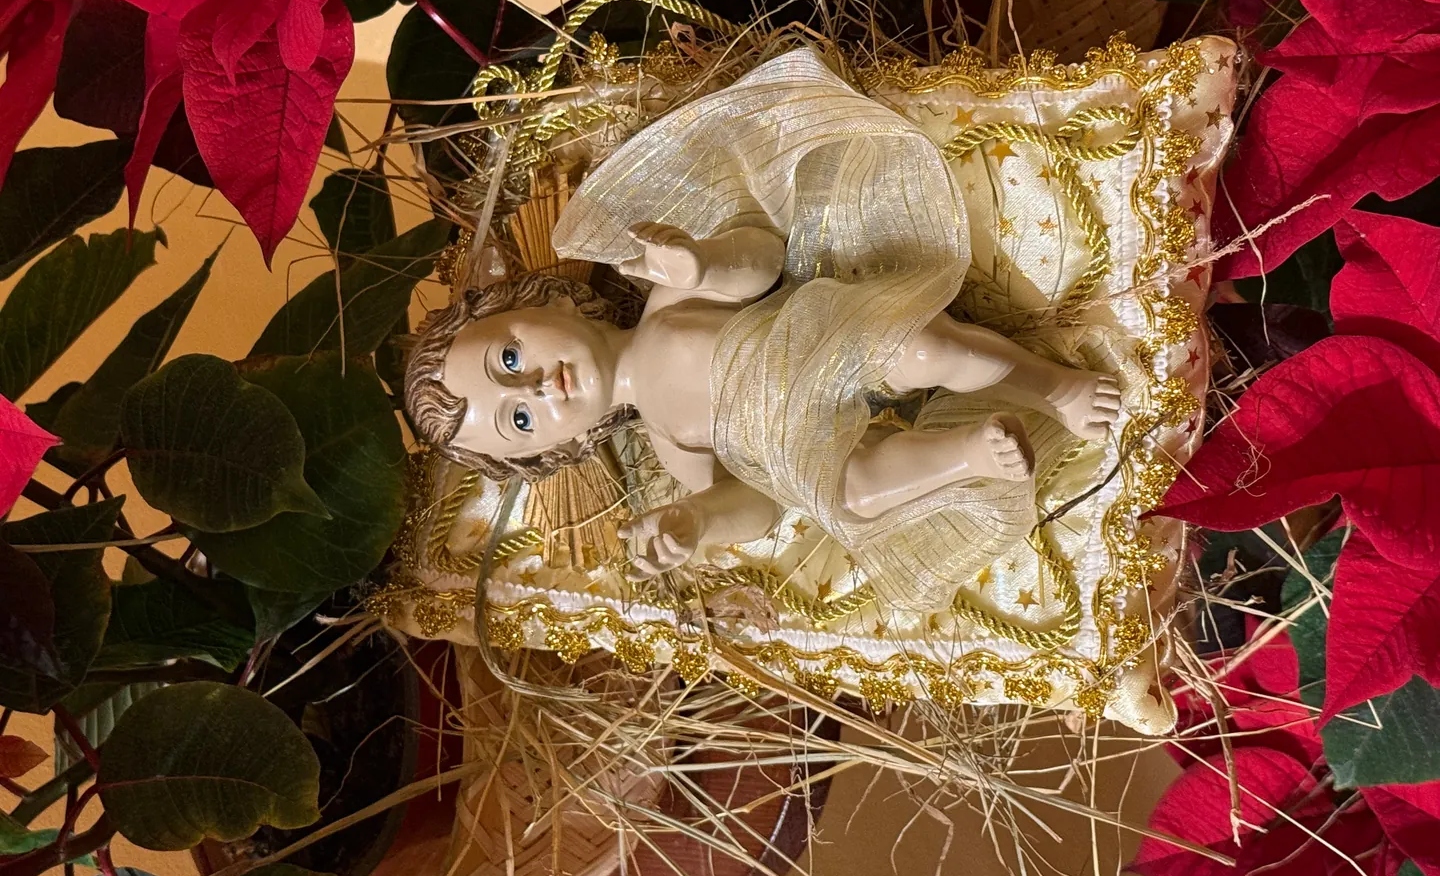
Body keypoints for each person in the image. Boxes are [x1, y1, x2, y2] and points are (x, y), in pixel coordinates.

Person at [406, 49, 1119, 612]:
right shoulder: (670, 440)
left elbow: (762, 264)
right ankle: (968, 455)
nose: (538, 387)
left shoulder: (664, 306)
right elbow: (756, 503)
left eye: (509, 358)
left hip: (819, 339)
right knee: (848, 494)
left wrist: (700, 261)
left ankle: (1052, 387)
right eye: (522, 419)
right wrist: (695, 522)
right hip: (794, 443)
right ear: (557, 451)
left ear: (541, 302)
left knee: (927, 347)